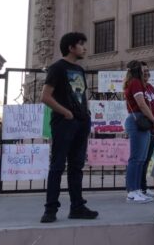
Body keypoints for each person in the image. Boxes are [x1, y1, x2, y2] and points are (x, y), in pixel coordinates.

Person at [40, 32, 98, 223]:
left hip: (81, 122)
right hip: (64, 123)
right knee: (57, 166)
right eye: (81, 44)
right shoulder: (57, 68)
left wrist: (86, 116)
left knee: (77, 167)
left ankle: (77, 207)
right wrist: (66, 113)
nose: (84, 48)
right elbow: (45, 96)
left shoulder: (79, 70)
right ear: (71, 47)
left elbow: (81, 96)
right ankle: (50, 210)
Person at [123, 60, 154, 203]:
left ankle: (138, 189)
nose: (146, 73)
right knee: (136, 158)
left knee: (141, 159)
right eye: (143, 70)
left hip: (142, 121)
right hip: (139, 120)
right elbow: (141, 104)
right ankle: (132, 191)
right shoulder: (135, 82)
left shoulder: (141, 84)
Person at [139, 61, 154, 197]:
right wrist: (153, 121)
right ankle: (139, 187)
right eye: (143, 71)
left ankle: (144, 188)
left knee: (147, 159)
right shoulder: (138, 87)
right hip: (145, 126)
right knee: (141, 158)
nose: (146, 73)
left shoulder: (151, 87)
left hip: (153, 127)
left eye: (147, 70)